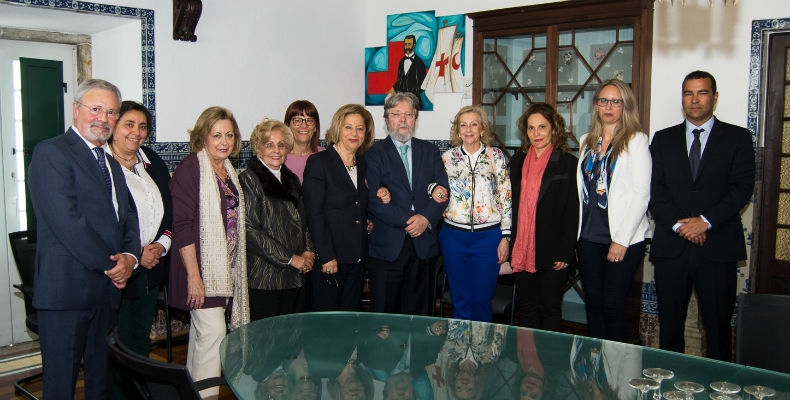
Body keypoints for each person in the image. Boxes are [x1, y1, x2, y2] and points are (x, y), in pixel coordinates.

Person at [27, 78, 141, 399]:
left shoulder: (111, 162)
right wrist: (114, 266)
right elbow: (68, 223)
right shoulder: (51, 153)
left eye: (111, 112)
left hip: (107, 294)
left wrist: (130, 258)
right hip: (67, 293)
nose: (103, 118)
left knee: (101, 383)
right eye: (96, 109)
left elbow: (129, 218)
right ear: (76, 109)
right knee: (60, 387)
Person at [650, 70, 755, 361]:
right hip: (672, 248)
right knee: (670, 328)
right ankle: (670, 381)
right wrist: (680, 225)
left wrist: (704, 222)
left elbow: (741, 188)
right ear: (682, 98)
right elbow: (655, 189)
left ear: (715, 97)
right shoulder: (663, 139)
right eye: (688, 93)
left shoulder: (738, 137)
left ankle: (718, 383)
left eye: (702, 92)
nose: (694, 100)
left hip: (717, 246)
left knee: (718, 330)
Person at [169, 106, 250, 398]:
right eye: (216, 135)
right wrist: (194, 277)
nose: (224, 141)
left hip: (222, 270)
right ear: (203, 136)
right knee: (214, 332)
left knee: (203, 335)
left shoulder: (228, 171)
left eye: (229, 135)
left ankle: (189, 393)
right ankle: (207, 395)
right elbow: (182, 226)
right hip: (198, 269)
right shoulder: (191, 168)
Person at [576, 79, 651, 342]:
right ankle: (596, 363)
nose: (609, 106)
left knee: (612, 304)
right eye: (604, 101)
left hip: (622, 238)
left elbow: (642, 195)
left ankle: (618, 366)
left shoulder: (636, 141)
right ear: (596, 106)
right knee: (593, 302)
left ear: (625, 106)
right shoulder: (586, 141)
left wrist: (621, 241)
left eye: (616, 101)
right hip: (588, 237)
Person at [108, 101, 173, 398]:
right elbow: (104, 222)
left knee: (139, 343)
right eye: (129, 124)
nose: (136, 132)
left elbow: (170, 211)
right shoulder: (101, 165)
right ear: (114, 127)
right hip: (118, 272)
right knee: (115, 347)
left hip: (151, 269)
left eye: (143, 126)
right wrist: (137, 252)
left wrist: (161, 245)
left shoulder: (152, 161)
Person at [365, 92, 449, 316]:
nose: (403, 120)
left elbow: (442, 191)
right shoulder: (372, 154)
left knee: (420, 316)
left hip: (424, 246)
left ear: (415, 119)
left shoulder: (430, 151)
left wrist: (425, 218)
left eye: (409, 115)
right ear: (386, 120)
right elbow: (373, 199)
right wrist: (412, 221)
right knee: (385, 318)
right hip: (387, 246)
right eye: (396, 114)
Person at [510, 103, 579, 332]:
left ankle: (551, 356)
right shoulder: (517, 161)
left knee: (550, 309)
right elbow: (510, 205)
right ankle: (525, 356)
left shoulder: (568, 163)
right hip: (521, 248)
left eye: (542, 127)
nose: (536, 133)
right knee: (527, 309)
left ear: (554, 129)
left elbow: (572, 211)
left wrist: (565, 251)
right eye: (531, 128)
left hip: (553, 251)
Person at [439, 105, 511, 322]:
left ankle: (481, 344)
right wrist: (433, 189)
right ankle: (460, 344)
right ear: (458, 130)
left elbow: (505, 196)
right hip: (453, 236)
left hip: (488, 238)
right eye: (463, 125)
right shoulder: (447, 158)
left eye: (474, 124)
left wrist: (506, 236)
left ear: (482, 129)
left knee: (481, 299)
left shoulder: (496, 156)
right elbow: (431, 186)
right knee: (460, 299)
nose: (468, 129)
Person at [240, 118, 315, 320]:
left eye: (281, 145)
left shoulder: (291, 178)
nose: (276, 150)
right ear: (258, 149)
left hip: (295, 275)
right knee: (267, 336)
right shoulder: (249, 179)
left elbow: (303, 218)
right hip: (265, 278)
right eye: (269, 145)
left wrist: (309, 250)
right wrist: (290, 258)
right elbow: (249, 231)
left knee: (292, 335)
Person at [303, 104, 375, 311]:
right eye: (348, 127)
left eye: (360, 128)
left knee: (350, 318)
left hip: (357, 257)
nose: (354, 133)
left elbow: (357, 203)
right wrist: (327, 256)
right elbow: (314, 214)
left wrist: (367, 219)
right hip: (330, 258)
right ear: (337, 129)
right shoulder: (319, 162)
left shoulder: (363, 163)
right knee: (328, 321)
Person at [283, 100, 325, 183]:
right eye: (297, 120)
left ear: (315, 127)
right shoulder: (279, 157)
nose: (304, 125)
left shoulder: (325, 155)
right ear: (288, 125)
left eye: (309, 120)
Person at [388, 35, 427, 109]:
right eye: (405, 44)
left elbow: (422, 86)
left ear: (414, 45)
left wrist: (409, 96)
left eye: (409, 44)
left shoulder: (420, 63)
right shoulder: (401, 62)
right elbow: (400, 80)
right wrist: (394, 89)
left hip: (414, 103)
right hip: (401, 103)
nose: (407, 46)